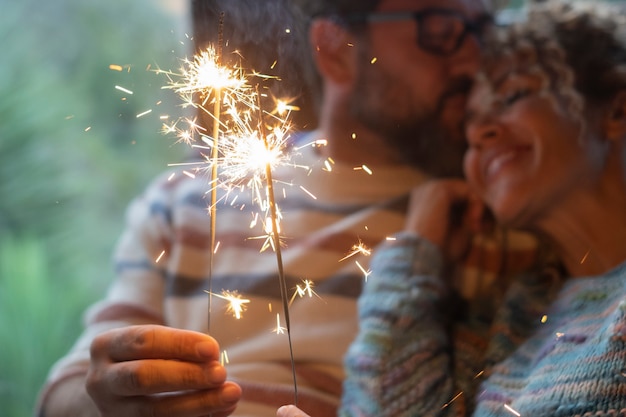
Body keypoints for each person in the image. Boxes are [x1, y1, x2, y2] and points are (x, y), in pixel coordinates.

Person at [36, 0, 539, 416]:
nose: (473, 61)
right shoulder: (182, 201)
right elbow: (61, 396)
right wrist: (108, 396)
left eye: (482, 31)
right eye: (442, 30)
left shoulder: (487, 223)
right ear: (336, 48)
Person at [278, 0, 626, 415]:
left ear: (616, 111)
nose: (479, 131)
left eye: (513, 95)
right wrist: (414, 255)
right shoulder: (511, 315)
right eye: (470, 120)